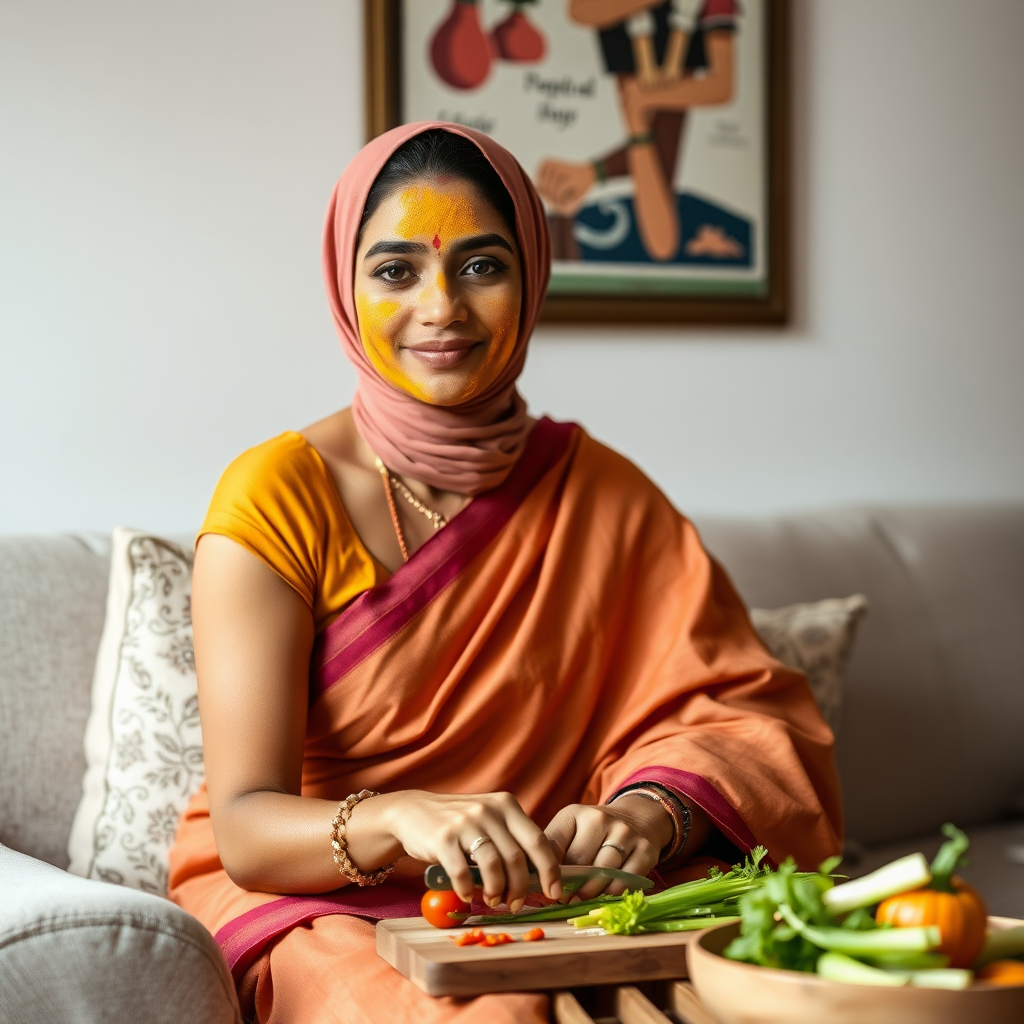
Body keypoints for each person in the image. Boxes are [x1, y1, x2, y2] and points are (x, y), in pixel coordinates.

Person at [168, 122, 842, 1024]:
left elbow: (734, 713)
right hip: (318, 898)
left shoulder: (600, 492)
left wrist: (648, 816)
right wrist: (400, 816)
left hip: (547, 894)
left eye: (481, 266)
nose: (440, 307)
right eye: (396, 271)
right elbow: (248, 827)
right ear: (343, 284)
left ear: (531, 278)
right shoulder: (279, 494)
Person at [537, 0, 738, 261]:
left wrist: (594, 170)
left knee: (660, 241)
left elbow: (721, 86)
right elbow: (581, 10)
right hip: (637, 105)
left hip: (649, 106)